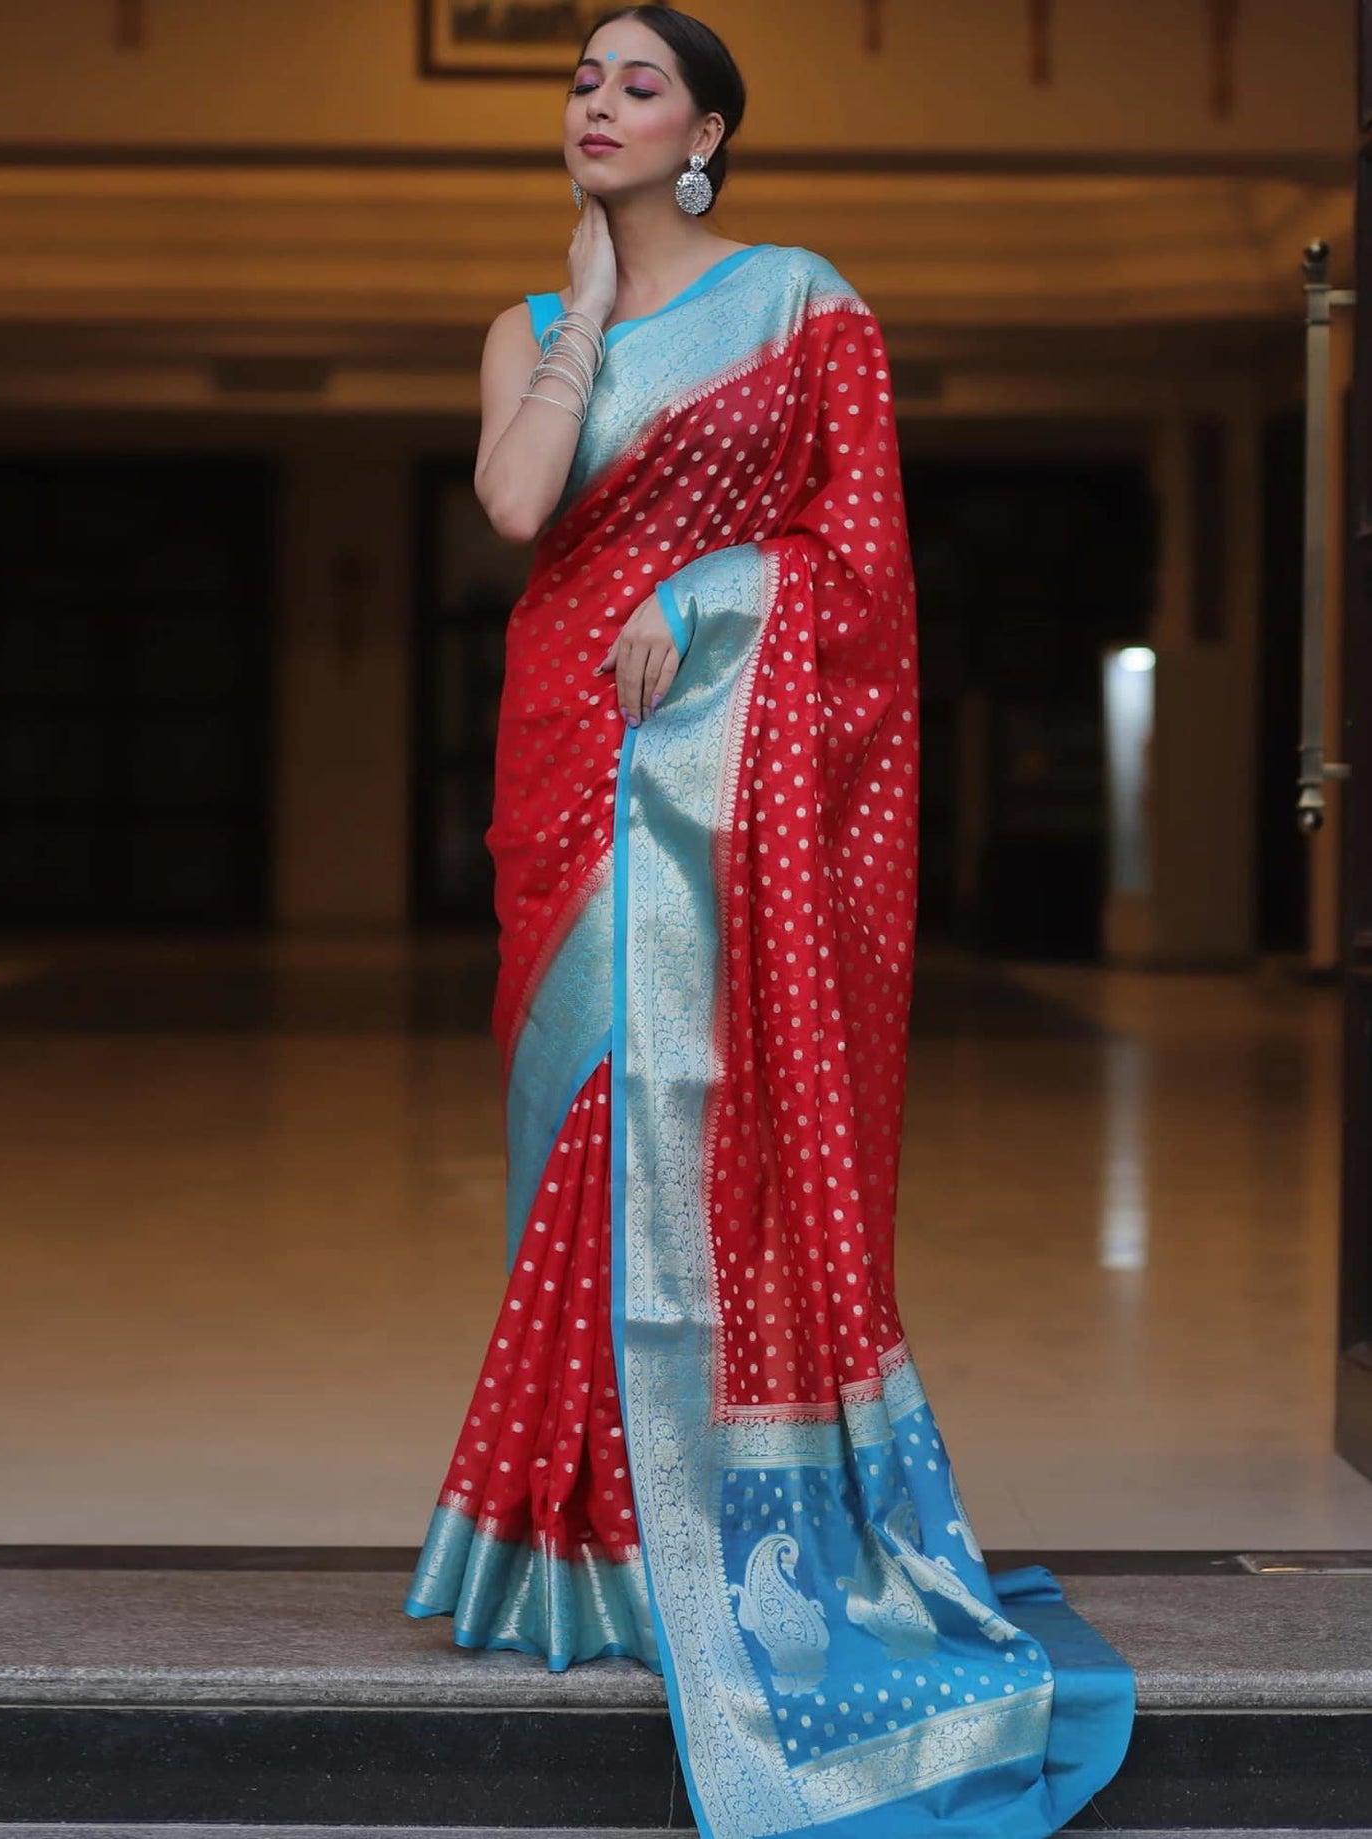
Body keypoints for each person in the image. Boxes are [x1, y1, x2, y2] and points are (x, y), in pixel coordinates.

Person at [405, 8, 1137, 1835]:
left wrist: (723, 589)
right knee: (576, 1122)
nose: (595, 102)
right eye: (580, 79)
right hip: (565, 748)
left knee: (687, 1117)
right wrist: (577, 315)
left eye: (634, 83)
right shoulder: (526, 326)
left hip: (720, 758)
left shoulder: (802, 298)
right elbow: (513, 504)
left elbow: (860, 557)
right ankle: (564, 1540)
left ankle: (707, 1529)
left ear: (708, 129)